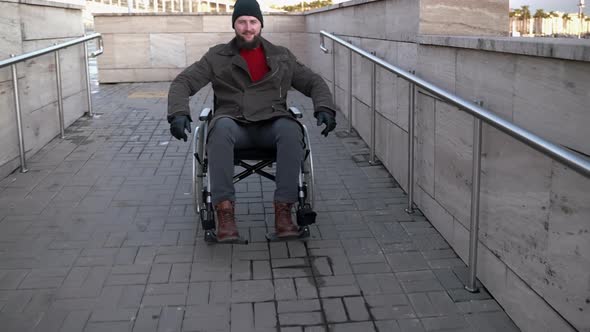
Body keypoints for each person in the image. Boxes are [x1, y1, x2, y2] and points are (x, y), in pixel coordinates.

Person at [167, 0, 338, 242]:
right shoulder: (217, 56)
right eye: (242, 22)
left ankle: (284, 213)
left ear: (261, 24)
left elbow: (313, 82)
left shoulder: (282, 56)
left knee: (291, 129)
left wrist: (324, 107)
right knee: (220, 127)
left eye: (253, 21)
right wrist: (179, 113)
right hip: (234, 124)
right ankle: (225, 214)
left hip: (272, 122)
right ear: (234, 25)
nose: (248, 27)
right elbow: (183, 82)